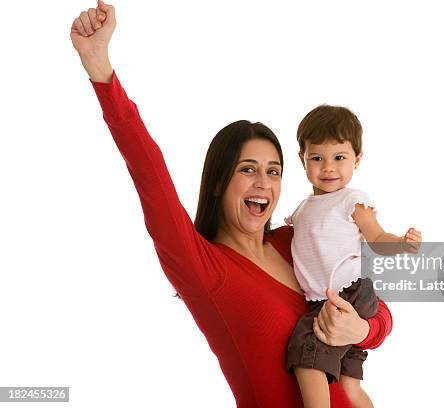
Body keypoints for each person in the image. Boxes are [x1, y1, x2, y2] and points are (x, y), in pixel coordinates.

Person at [69, 2, 393, 407]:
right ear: (220, 180)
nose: (264, 183)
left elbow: (382, 309)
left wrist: (359, 331)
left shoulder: (298, 241)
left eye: (274, 171)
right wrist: (100, 68)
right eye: (248, 169)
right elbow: (148, 171)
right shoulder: (202, 267)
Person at [284, 105, 422, 407]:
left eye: (339, 158)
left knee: (306, 352)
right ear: (302, 160)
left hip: (349, 293)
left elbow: (376, 237)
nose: (328, 168)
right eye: (317, 158)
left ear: (357, 159)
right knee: (349, 389)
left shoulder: (352, 201)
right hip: (329, 297)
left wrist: (402, 243)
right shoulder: (302, 209)